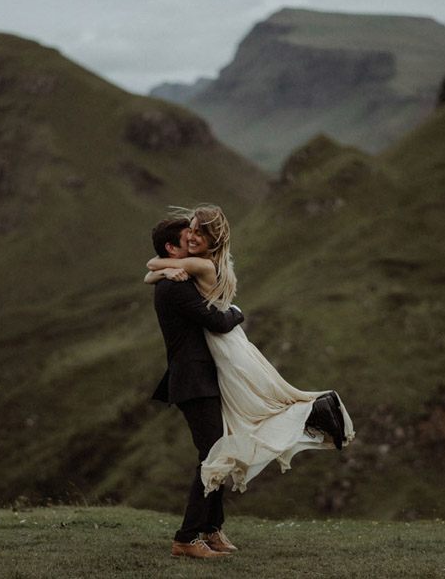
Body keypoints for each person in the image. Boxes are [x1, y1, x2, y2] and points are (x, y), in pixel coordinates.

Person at [145, 205, 354, 501]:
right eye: (190, 230)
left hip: (225, 345)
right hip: (227, 346)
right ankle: (310, 413)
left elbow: (151, 268)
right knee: (251, 409)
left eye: (199, 232)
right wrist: (168, 268)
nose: (192, 236)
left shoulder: (200, 266)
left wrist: (164, 268)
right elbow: (155, 269)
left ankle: (311, 413)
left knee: (256, 407)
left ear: (212, 239)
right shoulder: (208, 264)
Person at [148, 217, 245, 559]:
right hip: (193, 380)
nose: (192, 238)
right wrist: (237, 312)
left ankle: (211, 529)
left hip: (202, 378)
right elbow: (218, 321)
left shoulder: (176, 278)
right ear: (171, 249)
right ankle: (186, 538)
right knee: (213, 457)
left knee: (220, 454)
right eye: (186, 236)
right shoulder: (174, 287)